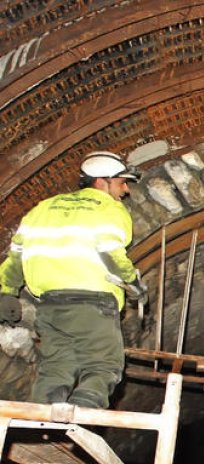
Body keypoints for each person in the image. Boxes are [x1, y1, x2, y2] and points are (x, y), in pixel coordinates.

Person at [0, 151, 147, 408]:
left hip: (51, 305)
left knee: (57, 365)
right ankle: (85, 411)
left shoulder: (43, 208)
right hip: (93, 301)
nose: (125, 190)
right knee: (104, 363)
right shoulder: (109, 208)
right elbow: (110, 250)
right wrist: (133, 283)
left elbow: (17, 256)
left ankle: (43, 419)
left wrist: (7, 291)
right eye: (122, 182)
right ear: (102, 181)